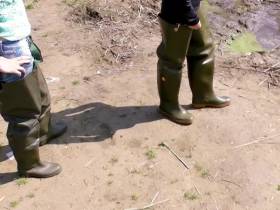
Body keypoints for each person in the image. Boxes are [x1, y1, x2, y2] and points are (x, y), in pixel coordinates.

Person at [0, 0, 67, 178]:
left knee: (41, 95)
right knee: (23, 112)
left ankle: (44, 133)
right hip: (7, 52)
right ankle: (29, 165)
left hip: (19, 41)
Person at [157, 0, 231, 125]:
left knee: (204, 48)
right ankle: (168, 106)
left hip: (192, 6)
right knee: (172, 61)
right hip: (178, 10)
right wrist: (190, 18)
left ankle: (203, 96)